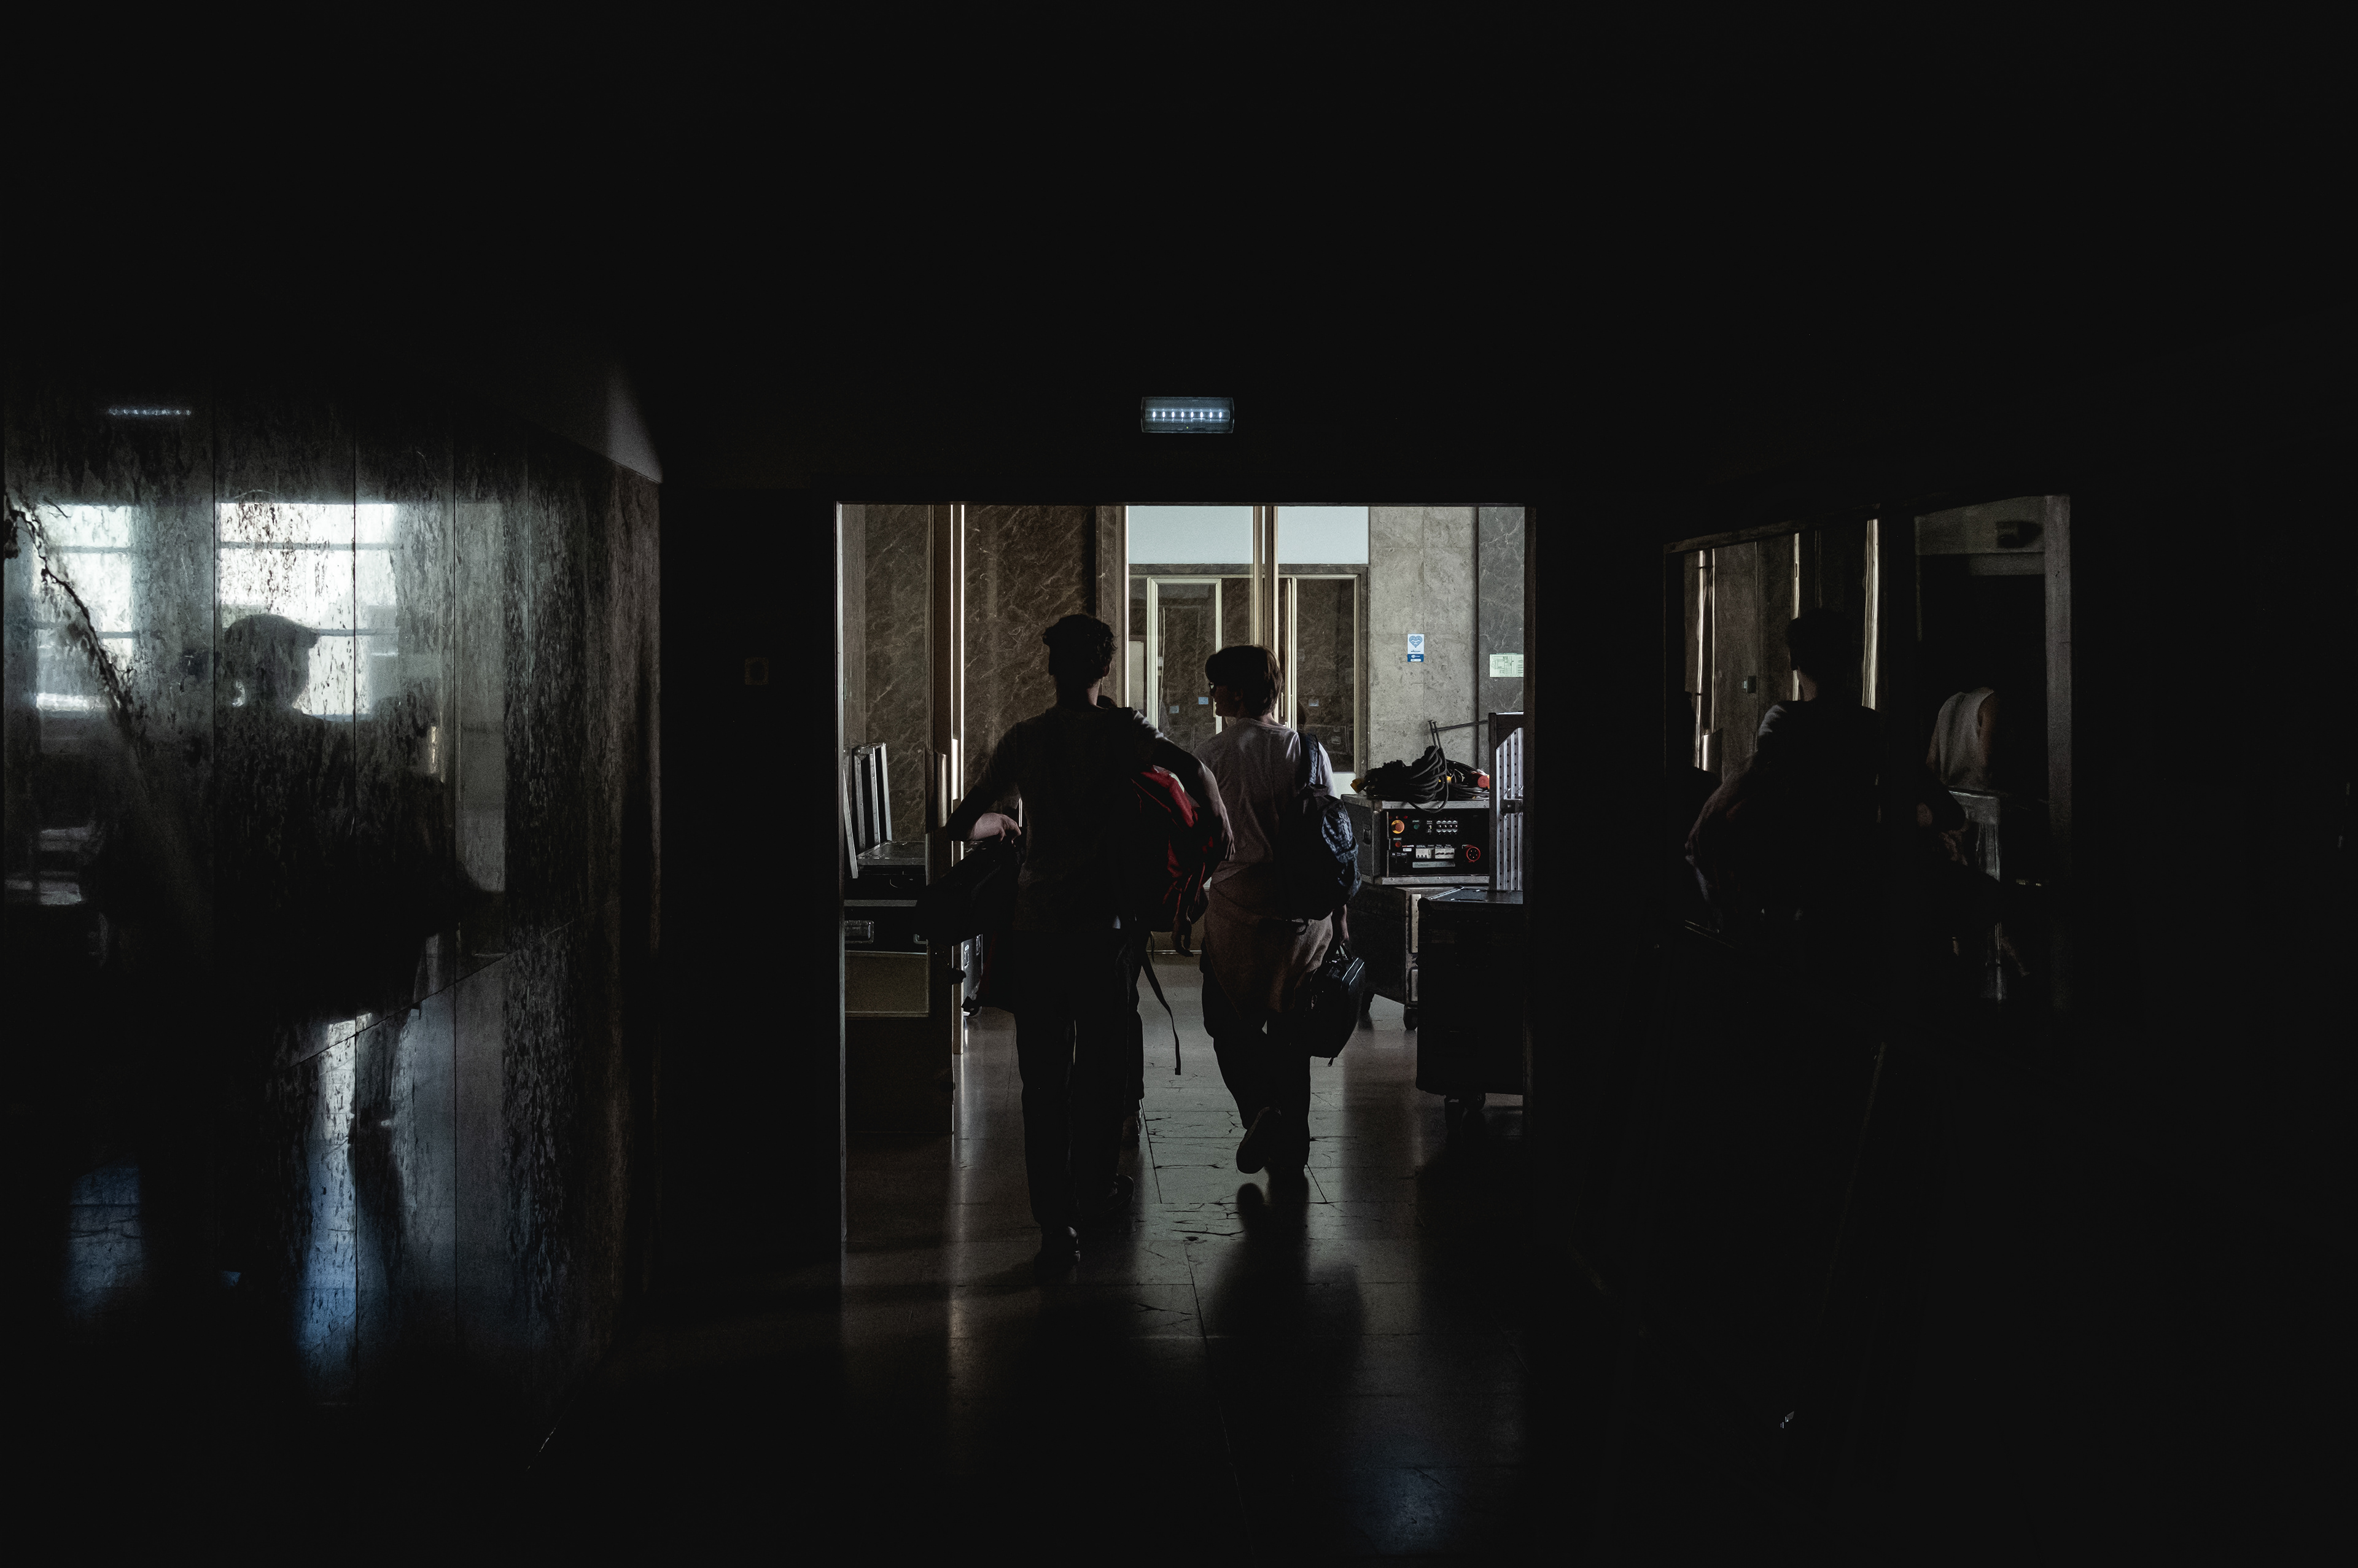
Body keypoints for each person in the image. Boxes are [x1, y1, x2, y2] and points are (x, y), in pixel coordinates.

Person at [946, 614, 1230, 1274]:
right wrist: (1217, 818)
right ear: (1105, 669)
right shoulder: (1122, 733)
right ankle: (1097, 1191)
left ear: (1052, 668)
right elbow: (1189, 769)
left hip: (1035, 930)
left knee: (1042, 1083)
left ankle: (1055, 1228)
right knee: (1101, 1072)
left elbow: (965, 822)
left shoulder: (1024, 740)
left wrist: (1008, 825)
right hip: (1103, 930)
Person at [1190, 644, 1346, 1182]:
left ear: (1235, 693)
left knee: (1224, 1021)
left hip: (1237, 913)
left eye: (1215, 687)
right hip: (1303, 918)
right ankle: (1292, 1150)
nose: (1212, 696)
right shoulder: (1307, 751)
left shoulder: (1211, 755)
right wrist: (1341, 917)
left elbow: (1201, 841)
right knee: (1291, 1036)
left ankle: (1260, 1109)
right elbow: (1332, 840)